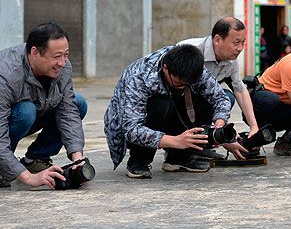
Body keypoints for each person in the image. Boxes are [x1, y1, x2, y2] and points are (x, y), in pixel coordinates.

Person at [104, 44, 235, 179]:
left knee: (224, 96)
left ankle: (178, 157)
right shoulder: (139, 76)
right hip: (136, 122)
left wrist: (219, 122)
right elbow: (131, 129)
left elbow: (220, 98)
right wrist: (175, 141)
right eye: (179, 83)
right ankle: (139, 160)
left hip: (172, 111)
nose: (183, 86)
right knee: (161, 102)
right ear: (166, 69)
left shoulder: (194, 68)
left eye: (187, 84)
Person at [0, 22, 87, 189]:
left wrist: (78, 158)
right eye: (57, 56)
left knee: (78, 103)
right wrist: (29, 179)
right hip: (12, 120)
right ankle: (4, 167)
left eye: (66, 54)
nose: (63, 62)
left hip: (35, 112)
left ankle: (35, 159)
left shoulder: (63, 67)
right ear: (34, 52)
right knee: (26, 111)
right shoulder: (6, 75)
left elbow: (68, 111)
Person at [178, 17, 259, 159]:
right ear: (217, 40)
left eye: (243, 42)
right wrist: (224, 138)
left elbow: (239, 90)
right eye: (236, 43)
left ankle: (201, 145)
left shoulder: (231, 60)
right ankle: (179, 149)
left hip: (201, 102)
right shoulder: (191, 50)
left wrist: (254, 127)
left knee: (227, 96)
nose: (240, 48)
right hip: (177, 102)